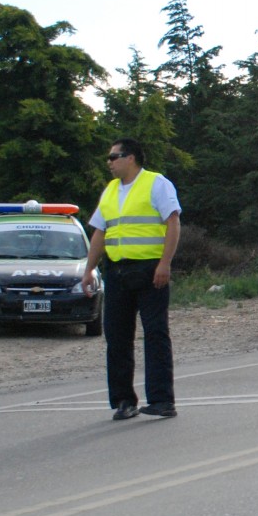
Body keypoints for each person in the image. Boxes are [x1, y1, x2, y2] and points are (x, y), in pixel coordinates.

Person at [82, 138, 182, 420]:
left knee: (155, 333)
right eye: (109, 158)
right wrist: (89, 269)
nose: (109, 163)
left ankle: (162, 400)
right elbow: (100, 232)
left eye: (114, 157)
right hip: (117, 271)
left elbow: (173, 222)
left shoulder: (156, 183)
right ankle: (124, 400)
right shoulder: (111, 191)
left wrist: (165, 263)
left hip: (151, 271)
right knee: (116, 337)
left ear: (131, 158)